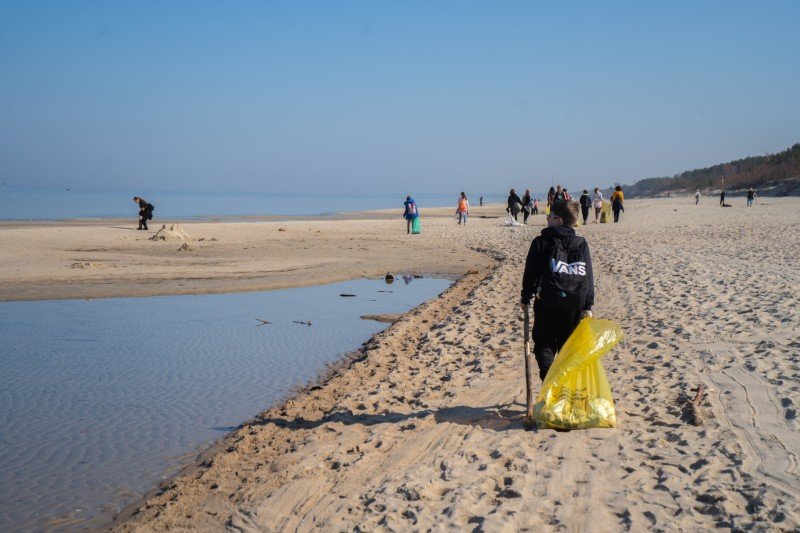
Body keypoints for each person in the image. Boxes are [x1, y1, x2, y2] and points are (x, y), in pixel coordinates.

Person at [520, 200, 594, 381]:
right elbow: (588, 276)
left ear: (558, 220)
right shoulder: (580, 243)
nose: (547, 218)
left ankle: (550, 384)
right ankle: (565, 388)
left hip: (547, 302)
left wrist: (525, 298)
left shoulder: (541, 242)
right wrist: (588, 305)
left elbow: (530, 273)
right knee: (568, 348)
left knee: (544, 344)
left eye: (550, 215)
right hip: (574, 304)